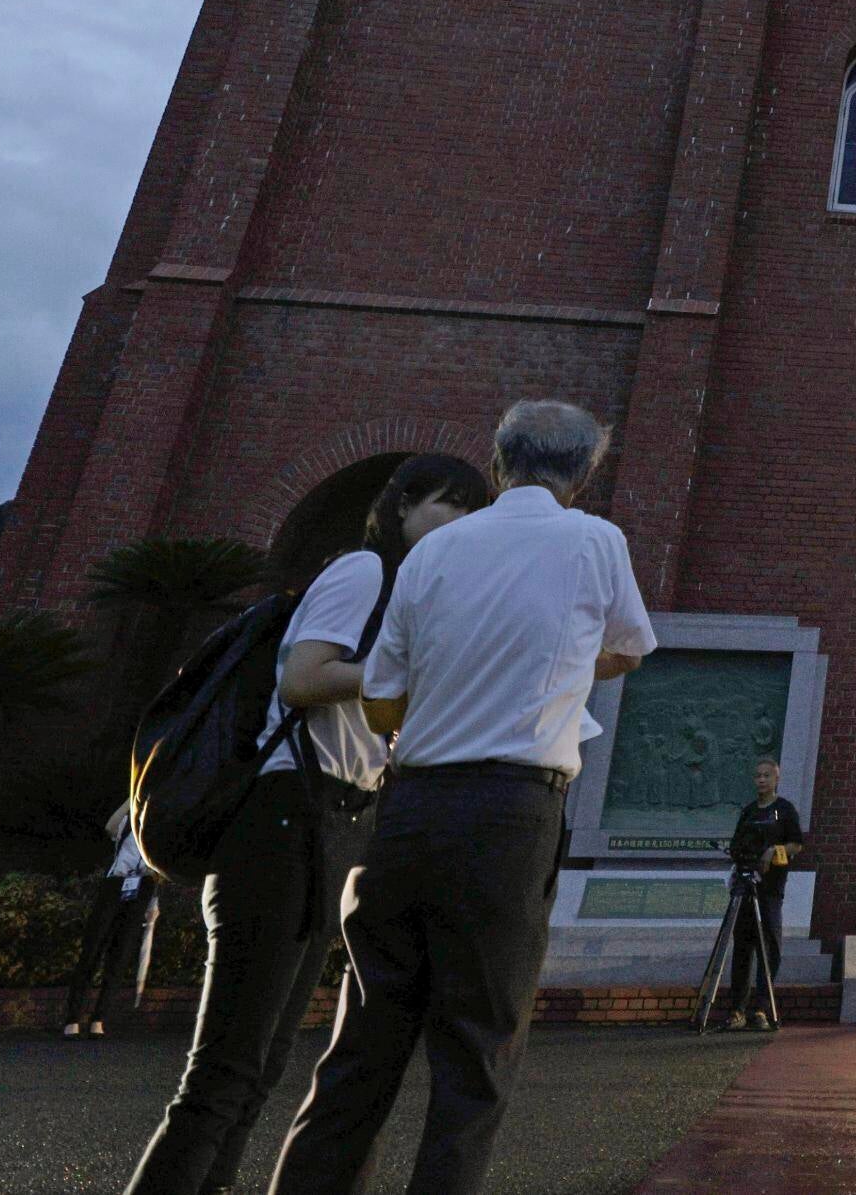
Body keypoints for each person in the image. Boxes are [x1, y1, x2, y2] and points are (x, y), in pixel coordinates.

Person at [264, 401, 653, 1195]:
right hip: (510, 811)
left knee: (364, 1042)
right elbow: (631, 647)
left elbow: (384, 693)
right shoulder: (593, 540)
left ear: (500, 462)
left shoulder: (434, 553)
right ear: (583, 474)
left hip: (406, 810)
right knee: (476, 1053)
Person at [125, 453, 489, 1195]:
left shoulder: (410, 598)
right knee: (223, 1070)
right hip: (283, 815)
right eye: (449, 506)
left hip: (337, 824)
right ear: (402, 506)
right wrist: (408, 672)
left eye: (472, 513)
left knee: (261, 1067)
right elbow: (303, 677)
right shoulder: (362, 571)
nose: (461, 525)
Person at [705, 758, 805, 1031]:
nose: (761, 780)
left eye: (766, 776)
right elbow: (737, 845)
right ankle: (737, 1008)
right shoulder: (748, 812)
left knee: (769, 946)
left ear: (776, 779)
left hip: (770, 889)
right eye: (757, 776)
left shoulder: (784, 811)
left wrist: (774, 852)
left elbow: (797, 844)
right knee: (742, 948)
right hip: (744, 888)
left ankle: (760, 1007)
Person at [63, 803, 160, 1037]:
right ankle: (72, 1018)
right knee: (93, 948)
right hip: (116, 883)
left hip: (142, 887)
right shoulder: (128, 821)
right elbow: (110, 826)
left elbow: (161, 868)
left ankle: (99, 1019)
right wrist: (132, 795)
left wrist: (154, 901)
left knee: (121, 953)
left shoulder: (160, 830)